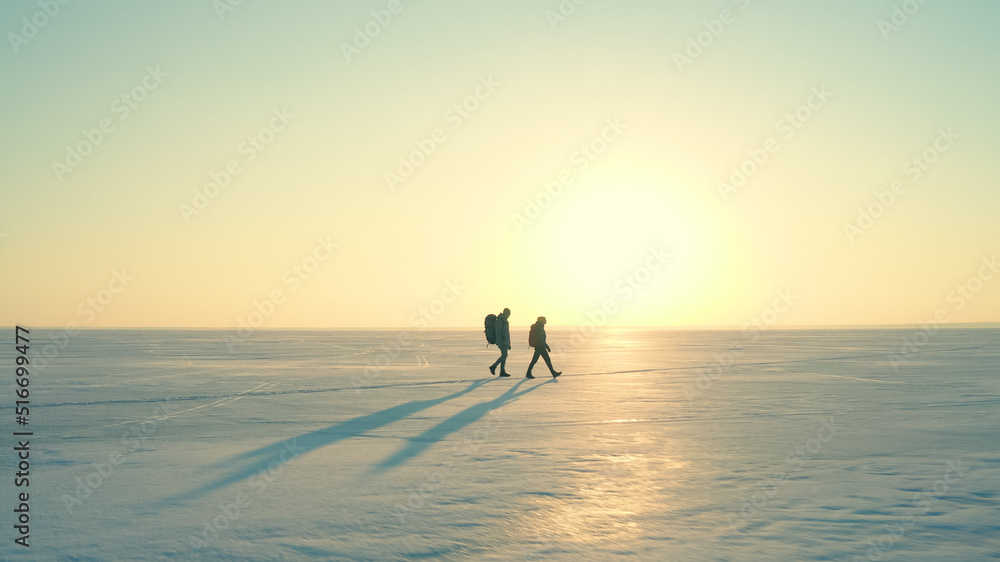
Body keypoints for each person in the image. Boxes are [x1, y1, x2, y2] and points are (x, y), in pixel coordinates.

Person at [489, 308, 512, 377]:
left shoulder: (505, 321)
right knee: (504, 355)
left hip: (505, 341)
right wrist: (499, 342)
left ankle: (502, 371)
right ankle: (493, 366)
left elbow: (507, 333)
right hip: (502, 341)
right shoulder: (500, 321)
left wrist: (509, 343)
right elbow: (498, 332)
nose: (509, 315)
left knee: (504, 356)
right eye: (508, 314)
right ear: (506, 313)